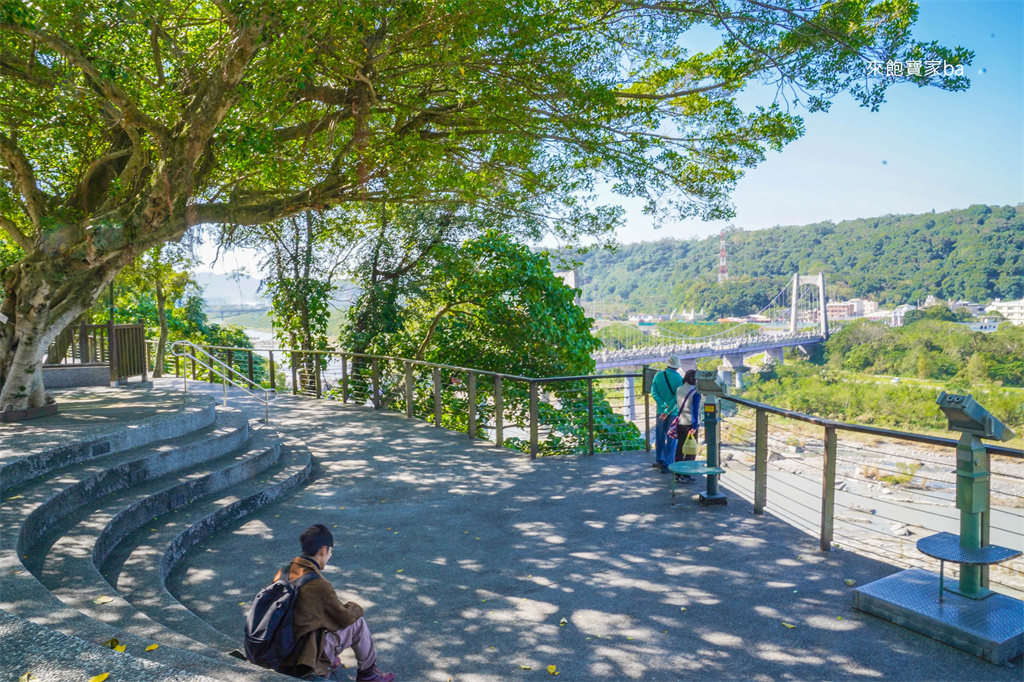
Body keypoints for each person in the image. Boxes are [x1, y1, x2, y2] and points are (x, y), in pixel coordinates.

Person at [274, 524, 395, 682]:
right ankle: (368, 674)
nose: (330, 556)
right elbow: (343, 618)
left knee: (323, 620)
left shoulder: (283, 572)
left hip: (280, 653)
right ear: (323, 550)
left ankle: (327, 659)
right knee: (357, 623)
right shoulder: (317, 584)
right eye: (331, 552)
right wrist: (355, 607)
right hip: (301, 661)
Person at [651, 355, 684, 474]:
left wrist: (662, 405)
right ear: (677, 366)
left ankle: (659, 460)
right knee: (672, 438)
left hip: (660, 411)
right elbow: (677, 397)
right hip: (673, 412)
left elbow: (653, 391)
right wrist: (668, 409)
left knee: (660, 436)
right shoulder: (680, 379)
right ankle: (667, 464)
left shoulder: (658, 375)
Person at [674, 369, 702, 483]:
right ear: (693, 379)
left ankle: (677, 473)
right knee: (690, 450)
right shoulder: (695, 392)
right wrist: (695, 427)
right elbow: (694, 411)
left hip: (680, 422)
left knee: (680, 449)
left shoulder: (679, 389)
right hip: (690, 424)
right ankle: (686, 475)